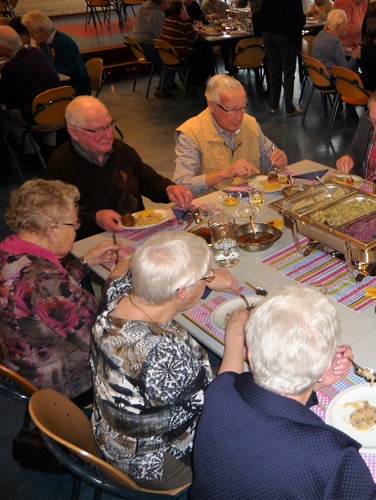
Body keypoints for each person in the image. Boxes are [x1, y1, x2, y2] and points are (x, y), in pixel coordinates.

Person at [191, 286, 376, 498]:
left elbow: (267, 405)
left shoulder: (220, 390)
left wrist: (314, 384)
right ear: (324, 366)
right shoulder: (329, 456)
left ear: (250, 357)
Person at [91, 231, 242, 489]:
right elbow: (221, 403)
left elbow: (123, 273)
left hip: (114, 433)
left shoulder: (114, 297)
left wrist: (210, 275)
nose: (207, 281)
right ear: (182, 291)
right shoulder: (163, 351)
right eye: (204, 279)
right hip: (157, 462)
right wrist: (236, 334)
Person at [0, 180, 120, 406]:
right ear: (53, 231)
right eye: (74, 225)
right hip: (66, 387)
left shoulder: (10, 254)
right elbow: (102, 335)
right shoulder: (45, 282)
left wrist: (85, 262)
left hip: (19, 364)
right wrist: (116, 280)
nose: (76, 231)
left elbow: (46, 300)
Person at [44, 96, 193, 239]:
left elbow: (148, 180)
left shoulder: (121, 150)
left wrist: (168, 189)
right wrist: (95, 218)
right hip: (93, 241)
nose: (108, 135)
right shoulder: (60, 164)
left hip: (137, 233)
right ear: (74, 132)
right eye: (98, 130)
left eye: (109, 125)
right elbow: (55, 218)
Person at [173, 75, 288, 194]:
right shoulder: (191, 134)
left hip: (249, 202)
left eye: (242, 107)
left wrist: (279, 161)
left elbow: (272, 160)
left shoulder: (250, 124)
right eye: (231, 110)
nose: (239, 117)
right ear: (212, 105)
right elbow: (180, 185)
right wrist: (225, 173)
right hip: (211, 207)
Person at [22, 11, 91, 97]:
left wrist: (49, 67)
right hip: (67, 85)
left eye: (32, 32)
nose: (31, 36)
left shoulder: (62, 42)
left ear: (41, 30)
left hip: (77, 88)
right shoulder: (51, 41)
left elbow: (76, 71)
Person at [0, 26, 59, 119]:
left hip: (35, 115)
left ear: (4, 48)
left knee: (3, 115)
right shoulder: (37, 52)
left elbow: (6, 97)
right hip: (57, 107)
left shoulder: (10, 68)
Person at [258, 0, 305, 115]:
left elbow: (261, 13)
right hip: (285, 35)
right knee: (288, 72)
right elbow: (298, 19)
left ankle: (273, 106)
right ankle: (289, 108)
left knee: (275, 72)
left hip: (268, 34)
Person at [160, 0, 211, 93]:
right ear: (181, 11)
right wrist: (201, 34)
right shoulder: (184, 23)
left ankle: (194, 80)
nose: (186, 9)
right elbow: (195, 38)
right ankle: (200, 81)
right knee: (205, 53)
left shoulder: (167, 20)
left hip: (169, 56)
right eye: (184, 8)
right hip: (181, 57)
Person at [132, 0, 169, 93]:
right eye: (168, 2)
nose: (169, 4)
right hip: (147, 47)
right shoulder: (156, 14)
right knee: (170, 57)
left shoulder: (145, 6)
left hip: (138, 45)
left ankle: (167, 84)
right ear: (162, 3)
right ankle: (165, 87)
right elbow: (162, 36)